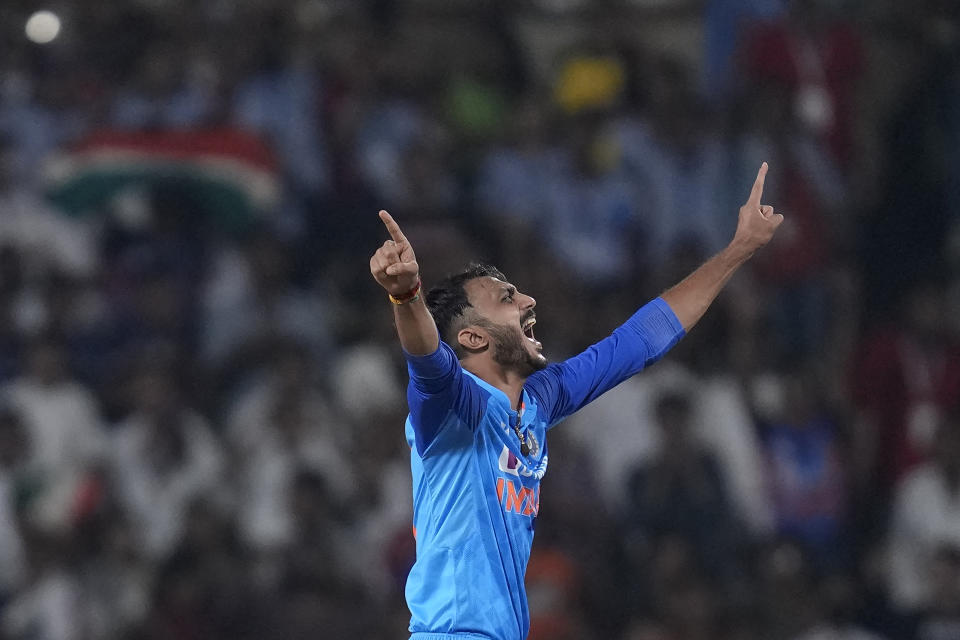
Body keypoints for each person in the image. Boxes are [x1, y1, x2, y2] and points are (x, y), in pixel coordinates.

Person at [369, 163, 783, 640]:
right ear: (472, 338)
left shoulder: (540, 399)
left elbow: (640, 341)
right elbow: (426, 360)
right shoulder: (456, 407)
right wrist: (407, 296)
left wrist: (738, 250)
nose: (528, 301)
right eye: (507, 299)